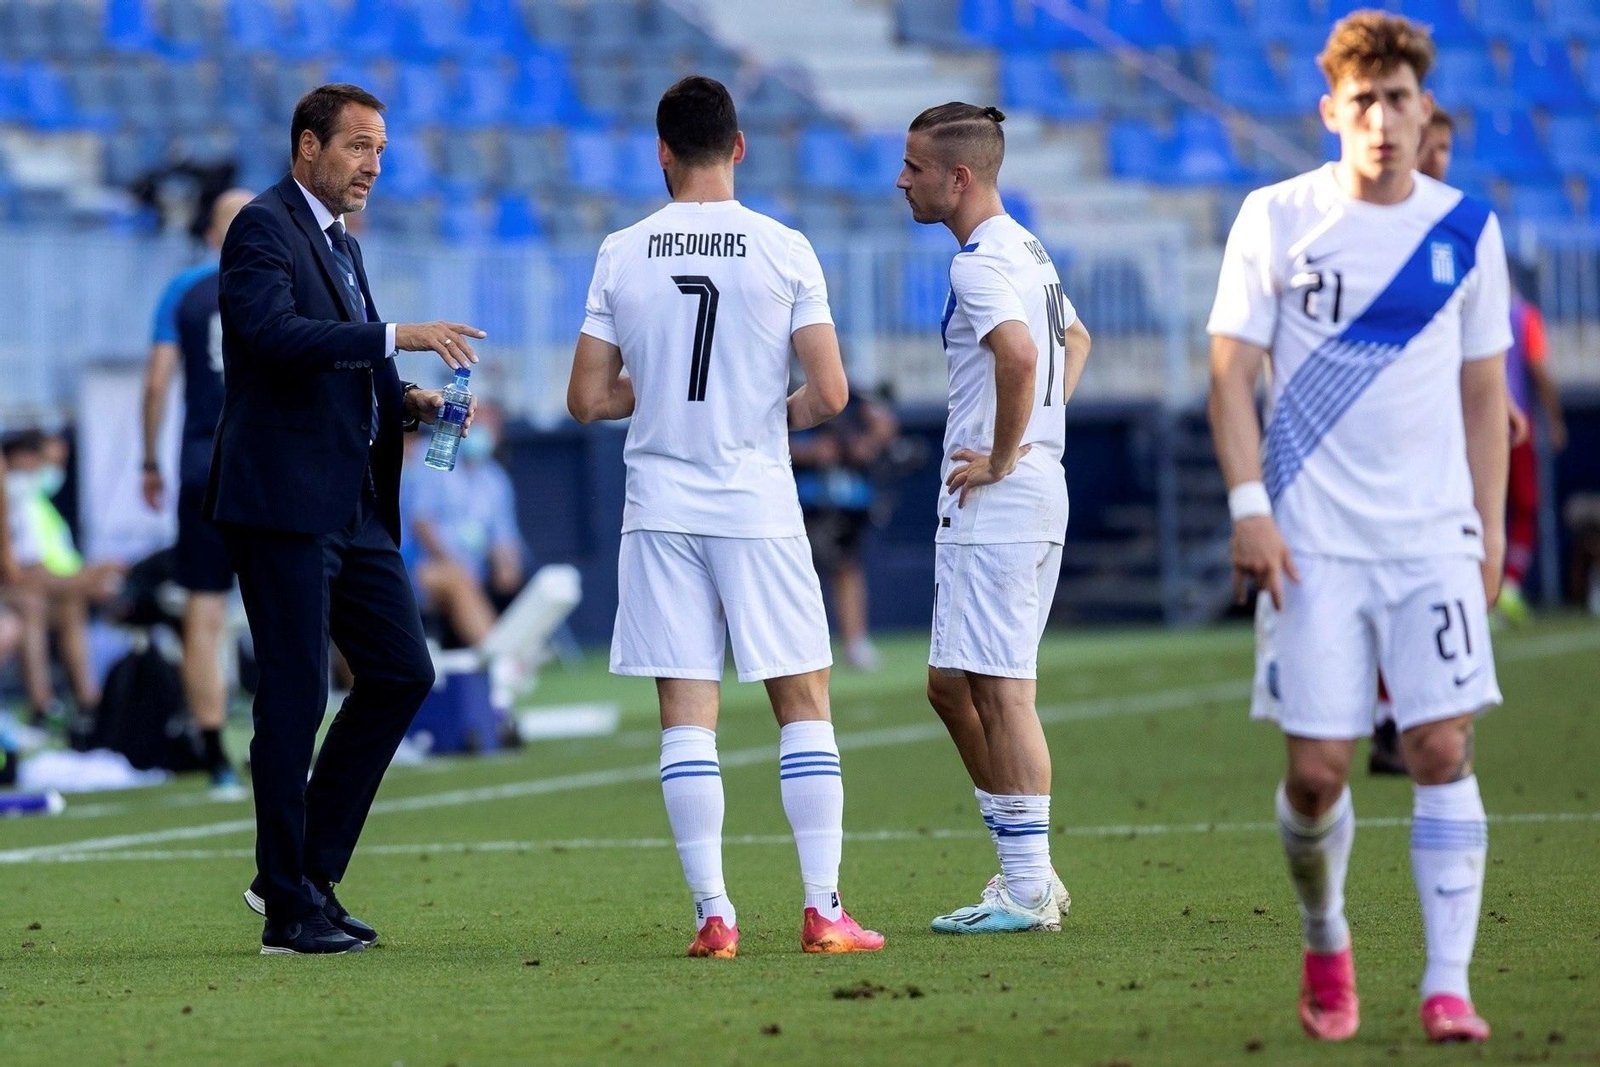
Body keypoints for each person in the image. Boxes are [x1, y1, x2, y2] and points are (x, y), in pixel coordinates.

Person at [1207, 13, 1508, 1044]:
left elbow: (1483, 400)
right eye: (1364, 101)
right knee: (1318, 772)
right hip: (1310, 545)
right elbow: (1228, 377)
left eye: (1399, 100)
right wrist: (1250, 510)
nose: (1382, 119)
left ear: (1425, 110)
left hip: (1430, 541)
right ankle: (1326, 935)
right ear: (1331, 110)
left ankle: (1445, 983)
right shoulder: (1275, 220)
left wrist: (1486, 545)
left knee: (1437, 744)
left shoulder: (1467, 228)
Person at [567, 75, 884, 959]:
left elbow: (587, 398)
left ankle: (716, 914)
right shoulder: (785, 247)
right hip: (755, 501)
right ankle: (823, 909)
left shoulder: (622, 251)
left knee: (686, 712)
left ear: (661, 153)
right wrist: (759, 410)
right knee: (803, 698)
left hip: (660, 505)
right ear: (739, 148)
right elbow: (829, 392)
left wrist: (661, 389)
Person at [210, 83, 485, 955]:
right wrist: (395, 334)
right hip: (286, 501)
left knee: (403, 672)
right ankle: (289, 910)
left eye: (380, 148)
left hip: (353, 503)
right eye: (358, 145)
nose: (373, 164)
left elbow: (348, 363)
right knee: (294, 695)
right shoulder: (262, 226)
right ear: (307, 147)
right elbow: (272, 336)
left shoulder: (340, 244)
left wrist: (412, 402)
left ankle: (305, 874)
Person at [898, 103, 1091, 934]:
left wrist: (1009, 453)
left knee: (1004, 692)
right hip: (1022, 489)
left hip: (1001, 496)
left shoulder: (978, 265)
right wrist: (1041, 430)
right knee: (951, 686)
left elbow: (1021, 354)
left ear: (959, 178)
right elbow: (1074, 342)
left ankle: (1025, 885)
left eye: (914, 167)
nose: (902, 181)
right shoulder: (1028, 251)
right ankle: (1030, 870)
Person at [141, 188, 254, 798]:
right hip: (266, 466)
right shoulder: (282, 278)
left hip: (200, 464)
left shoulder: (182, 291)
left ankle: (214, 757)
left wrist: (146, 460)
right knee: (288, 607)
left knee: (203, 613)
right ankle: (281, 749)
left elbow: (157, 383)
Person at [790, 391, 899, 671]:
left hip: (845, 496)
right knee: (793, 574)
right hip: (798, 495)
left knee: (847, 567)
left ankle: (855, 642)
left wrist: (867, 442)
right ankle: (795, 647)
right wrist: (811, 450)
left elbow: (883, 425)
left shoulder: (856, 394)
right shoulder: (784, 385)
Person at [401, 402, 525, 648]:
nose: (484, 434)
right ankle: (500, 660)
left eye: (491, 427)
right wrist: (453, 562)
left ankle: (509, 652)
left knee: (516, 581)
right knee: (456, 579)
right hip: (417, 568)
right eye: (479, 425)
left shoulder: (495, 480)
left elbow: (504, 540)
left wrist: (506, 565)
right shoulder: (434, 456)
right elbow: (421, 524)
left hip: (473, 575)